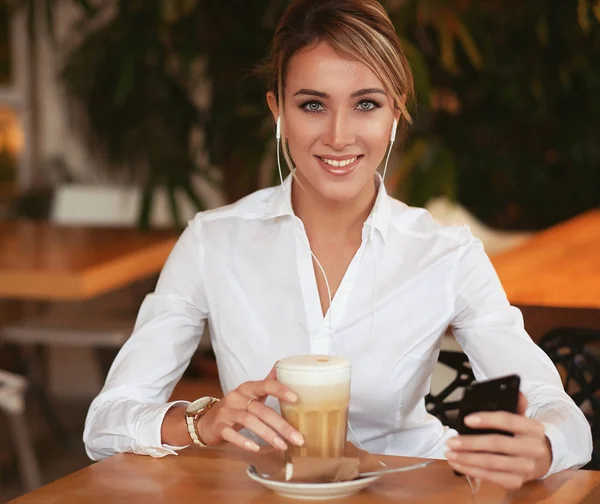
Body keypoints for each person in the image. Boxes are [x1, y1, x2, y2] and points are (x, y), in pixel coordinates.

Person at [83, 0, 592, 490]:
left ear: (396, 114)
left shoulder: (447, 254)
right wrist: (201, 422)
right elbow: (105, 422)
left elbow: (559, 410)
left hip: (409, 493)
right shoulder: (212, 241)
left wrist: (543, 445)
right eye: (312, 105)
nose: (339, 136)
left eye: (366, 104)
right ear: (277, 109)